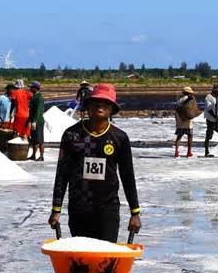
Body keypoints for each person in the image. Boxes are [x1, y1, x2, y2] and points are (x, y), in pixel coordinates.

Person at [48, 83, 141, 243]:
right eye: (96, 102)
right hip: (79, 210)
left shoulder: (119, 138)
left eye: (105, 103)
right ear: (88, 106)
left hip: (107, 211)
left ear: (112, 109)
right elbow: (62, 174)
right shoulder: (72, 135)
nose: (100, 106)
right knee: (81, 262)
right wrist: (56, 209)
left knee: (105, 261)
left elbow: (127, 176)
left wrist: (135, 213)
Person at [203, 84, 218, 157]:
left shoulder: (216, 97)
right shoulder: (208, 97)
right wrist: (215, 116)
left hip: (216, 119)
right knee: (209, 136)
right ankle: (206, 152)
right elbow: (209, 109)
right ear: (215, 91)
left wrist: (217, 117)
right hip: (210, 120)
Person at [174, 86, 197, 158]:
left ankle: (177, 152)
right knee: (190, 136)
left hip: (180, 120)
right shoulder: (188, 98)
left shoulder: (179, 100)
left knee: (179, 136)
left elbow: (177, 107)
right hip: (187, 120)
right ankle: (189, 152)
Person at [27, 81, 45, 161]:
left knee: (40, 140)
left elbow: (39, 111)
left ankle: (41, 156)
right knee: (34, 139)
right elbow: (31, 111)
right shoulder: (33, 97)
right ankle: (33, 155)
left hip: (38, 122)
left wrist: (35, 121)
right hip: (33, 121)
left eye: (31, 87)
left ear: (35, 88)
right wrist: (28, 121)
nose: (30, 88)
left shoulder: (40, 97)